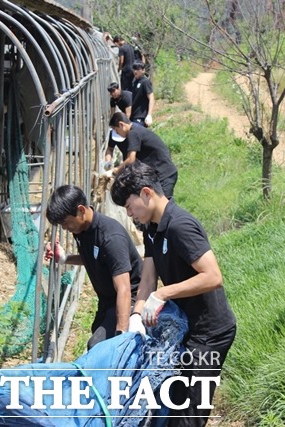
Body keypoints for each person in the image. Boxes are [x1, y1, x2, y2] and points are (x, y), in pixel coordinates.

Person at [110, 161, 236, 427]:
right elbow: (148, 277)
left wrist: (164, 294)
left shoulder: (180, 225)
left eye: (130, 206)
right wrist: (135, 315)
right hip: (187, 327)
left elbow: (213, 276)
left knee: (189, 413)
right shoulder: (152, 230)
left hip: (209, 333)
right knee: (171, 402)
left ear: (146, 193)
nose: (130, 214)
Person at [45, 185, 142, 349]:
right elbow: (93, 258)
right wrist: (64, 258)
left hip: (129, 299)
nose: (65, 229)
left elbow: (124, 289)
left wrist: (122, 334)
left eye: (65, 223)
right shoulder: (82, 229)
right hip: (107, 300)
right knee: (97, 335)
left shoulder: (110, 237)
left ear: (81, 210)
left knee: (99, 346)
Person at [106, 111, 178, 198]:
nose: (117, 134)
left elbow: (131, 159)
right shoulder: (137, 129)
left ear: (121, 125)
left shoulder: (133, 133)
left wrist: (116, 170)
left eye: (117, 131)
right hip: (161, 173)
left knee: (164, 206)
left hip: (164, 174)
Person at [130, 61, 154, 127]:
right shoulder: (134, 81)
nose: (135, 71)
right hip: (133, 115)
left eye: (138, 69)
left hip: (141, 116)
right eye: (134, 69)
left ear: (143, 70)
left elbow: (151, 98)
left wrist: (149, 115)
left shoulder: (145, 82)